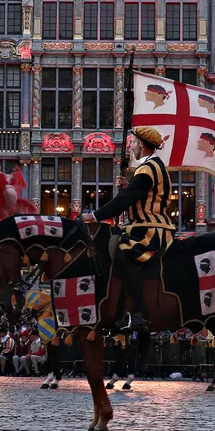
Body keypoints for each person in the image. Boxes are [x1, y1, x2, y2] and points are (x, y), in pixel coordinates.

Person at [81, 126, 174, 330]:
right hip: (141, 226)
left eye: (133, 142)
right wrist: (129, 184)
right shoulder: (151, 167)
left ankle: (141, 312)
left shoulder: (147, 169)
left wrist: (95, 215)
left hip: (150, 229)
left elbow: (124, 200)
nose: (131, 146)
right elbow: (137, 195)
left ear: (141, 144)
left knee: (124, 255)